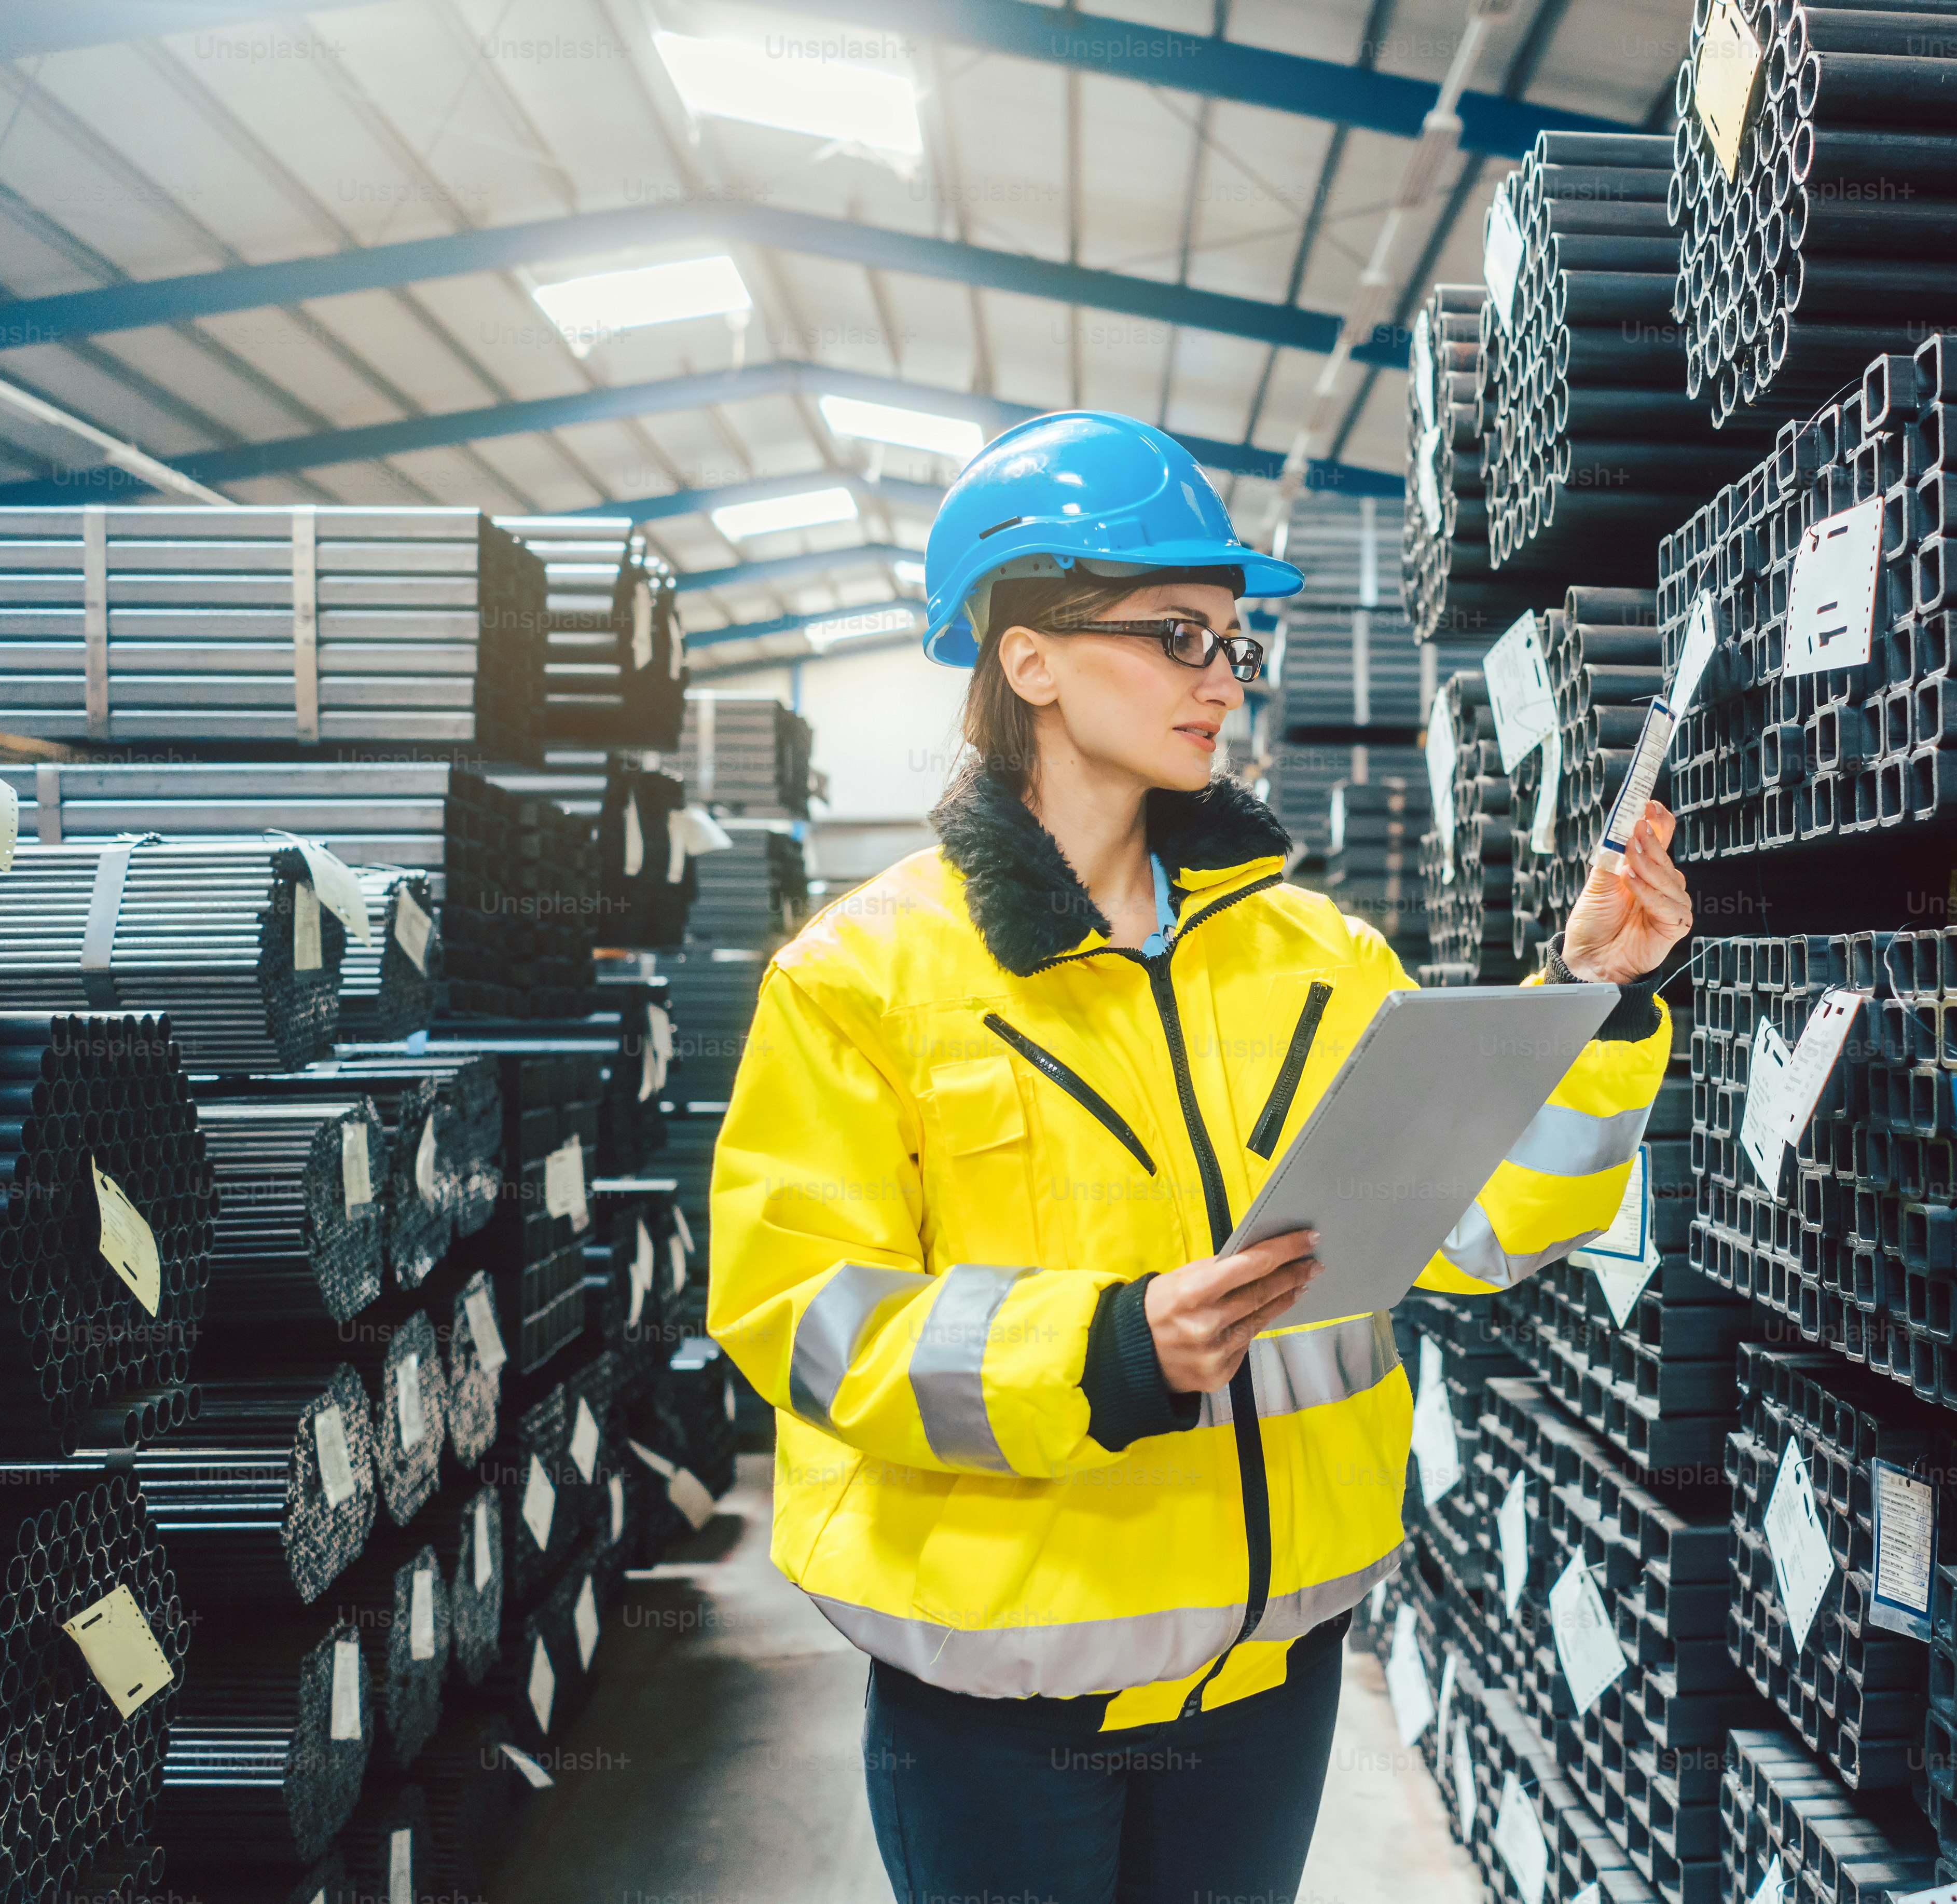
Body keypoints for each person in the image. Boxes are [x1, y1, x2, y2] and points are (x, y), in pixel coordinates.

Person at [708, 410, 1692, 1904]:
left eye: (1232, 642)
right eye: (1176, 634)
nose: (1220, 679)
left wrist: (1592, 1005)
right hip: (1005, 1701)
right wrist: (1103, 1346)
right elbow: (800, 1312)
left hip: (1270, 1674)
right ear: (1027, 655)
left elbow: (1480, 1233)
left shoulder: (1319, 956)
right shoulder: (858, 978)